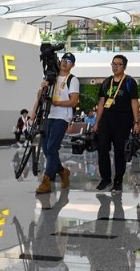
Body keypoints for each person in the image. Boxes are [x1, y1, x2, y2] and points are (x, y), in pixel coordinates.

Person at [34, 52, 79, 194]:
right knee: (47, 149)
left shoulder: (73, 80)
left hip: (62, 117)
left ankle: (47, 180)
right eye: (64, 59)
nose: (65, 63)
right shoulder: (50, 77)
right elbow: (40, 97)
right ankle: (62, 171)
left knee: (52, 147)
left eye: (69, 61)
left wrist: (57, 103)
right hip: (48, 115)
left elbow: (74, 101)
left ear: (73, 65)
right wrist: (43, 88)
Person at [95, 54, 140, 192]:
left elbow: (134, 102)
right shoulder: (106, 82)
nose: (115, 66)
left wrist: (136, 121)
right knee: (102, 148)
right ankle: (105, 178)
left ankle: (118, 179)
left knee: (119, 151)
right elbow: (102, 102)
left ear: (124, 66)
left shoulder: (129, 82)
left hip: (122, 121)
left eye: (118, 64)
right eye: (113, 64)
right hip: (106, 121)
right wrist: (97, 122)